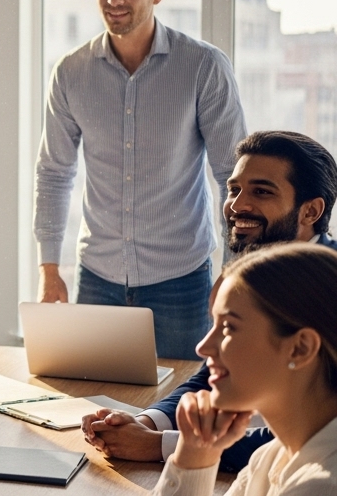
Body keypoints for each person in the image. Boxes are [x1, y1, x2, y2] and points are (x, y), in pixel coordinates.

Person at [34, 0, 247, 358]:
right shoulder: (71, 73)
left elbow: (233, 176)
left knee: (183, 409)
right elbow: (54, 173)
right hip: (97, 279)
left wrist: (231, 268)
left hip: (182, 282)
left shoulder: (202, 67)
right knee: (96, 413)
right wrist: (49, 268)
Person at [84, 130, 337, 472]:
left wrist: (161, 445)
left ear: (311, 211)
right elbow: (211, 373)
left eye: (261, 192)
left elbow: (313, 437)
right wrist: (146, 423)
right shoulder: (254, 276)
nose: (237, 206)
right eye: (234, 190)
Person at [151, 243, 337, 495]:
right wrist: (196, 453)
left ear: (300, 348)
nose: (202, 348)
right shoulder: (271, 457)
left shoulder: (321, 486)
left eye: (228, 327)